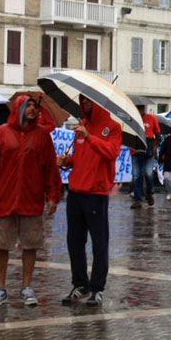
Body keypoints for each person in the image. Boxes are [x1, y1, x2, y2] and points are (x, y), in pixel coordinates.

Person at [0, 96, 62, 306]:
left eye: (35, 106)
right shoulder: (2, 133)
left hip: (31, 199)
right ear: (19, 109)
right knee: (1, 244)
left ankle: (26, 287)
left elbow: (50, 168)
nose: (33, 109)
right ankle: (0, 287)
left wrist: (52, 195)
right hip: (5, 198)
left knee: (31, 244)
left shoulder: (42, 136)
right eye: (29, 106)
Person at [57, 95, 122, 306]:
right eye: (82, 100)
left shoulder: (112, 127)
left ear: (97, 103)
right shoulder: (81, 125)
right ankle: (80, 284)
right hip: (76, 192)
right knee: (74, 242)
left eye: (87, 101)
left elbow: (111, 153)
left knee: (99, 243)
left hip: (96, 193)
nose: (83, 104)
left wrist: (90, 137)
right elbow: (80, 157)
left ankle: (97, 288)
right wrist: (67, 162)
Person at [130, 105, 160, 209]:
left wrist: (155, 146)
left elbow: (158, 133)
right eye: (137, 108)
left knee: (148, 174)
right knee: (136, 176)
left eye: (141, 108)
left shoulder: (151, 118)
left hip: (148, 152)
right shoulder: (131, 118)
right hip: (135, 151)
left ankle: (149, 192)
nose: (139, 110)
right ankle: (138, 199)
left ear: (143, 109)